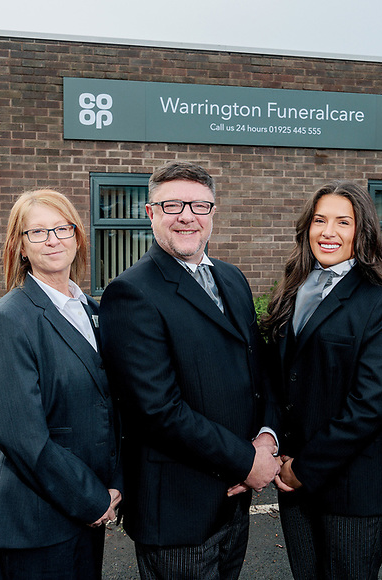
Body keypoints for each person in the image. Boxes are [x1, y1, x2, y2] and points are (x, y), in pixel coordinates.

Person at [99, 161, 280, 580]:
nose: (187, 216)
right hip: (178, 510)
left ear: (212, 212)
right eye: (173, 205)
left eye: (199, 205)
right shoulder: (131, 292)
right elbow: (157, 410)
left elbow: (259, 371)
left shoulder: (232, 279)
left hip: (233, 503)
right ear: (151, 213)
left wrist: (268, 438)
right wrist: (246, 462)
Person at [260, 181, 382, 580]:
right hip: (292, 480)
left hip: (350, 486)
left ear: (363, 231)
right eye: (319, 220)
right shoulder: (293, 288)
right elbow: (277, 377)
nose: (328, 232)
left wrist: (303, 469)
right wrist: (276, 448)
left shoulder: (381, 301)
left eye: (343, 222)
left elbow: (368, 406)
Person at [0, 189, 122, 580]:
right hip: (36, 523)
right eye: (37, 232)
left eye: (61, 228)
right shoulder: (7, 321)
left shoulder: (92, 310)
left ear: (77, 236)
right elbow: (20, 435)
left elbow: (112, 405)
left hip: (89, 510)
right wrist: (91, 499)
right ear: (21, 246)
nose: (53, 239)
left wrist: (115, 485)